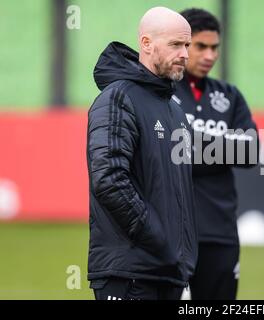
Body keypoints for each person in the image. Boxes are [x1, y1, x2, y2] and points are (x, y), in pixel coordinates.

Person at [86, 7, 197, 300]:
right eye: (176, 44)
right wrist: (157, 238)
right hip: (129, 275)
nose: (186, 53)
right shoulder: (117, 98)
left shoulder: (174, 109)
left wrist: (179, 253)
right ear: (146, 44)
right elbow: (108, 178)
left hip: (168, 272)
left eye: (187, 45)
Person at [175, 8, 258, 300]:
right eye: (201, 46)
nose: (210, 55)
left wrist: (190, 145)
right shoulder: (161, 91)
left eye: (215, 48)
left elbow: (251, 152)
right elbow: (168, 151)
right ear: (183, 45)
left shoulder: (230, 95)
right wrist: (224, 147)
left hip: (220, 230)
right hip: (171, 233)